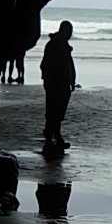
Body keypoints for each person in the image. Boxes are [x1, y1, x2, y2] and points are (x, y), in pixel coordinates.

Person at [40, 20, 76, 152]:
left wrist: (71, 80)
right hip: (55, 84)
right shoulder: (55, 45)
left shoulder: (63, 45)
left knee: (58, 113)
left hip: (63, 83)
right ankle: (49, 141)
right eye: (69, 31)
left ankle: (56, 138)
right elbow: (45, 65)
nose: (70, 34)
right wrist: (48, 80)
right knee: (53, 112)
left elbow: (69, 66)